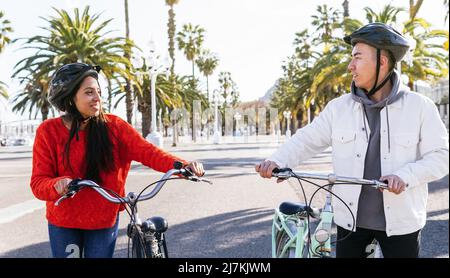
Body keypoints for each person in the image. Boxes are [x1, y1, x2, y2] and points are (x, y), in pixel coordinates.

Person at [255, 23, 449, 258]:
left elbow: (441, 157)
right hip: (350, 221)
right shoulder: (339, 109)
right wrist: (277, 160)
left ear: (382, 62)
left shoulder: (420, 107)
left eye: (357, 57)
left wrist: (405, 176)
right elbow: (307, 139)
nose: (350, 66)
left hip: (402, 223)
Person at [30, 63, 205, 258]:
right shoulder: (48, 131)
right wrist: (57, 184)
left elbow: (150, 152)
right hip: (64, 222)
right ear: (70, 98)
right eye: (89, 92)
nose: (97, 98)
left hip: (103, 220)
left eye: (98, 92)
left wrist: (183, 167)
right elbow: (38, 182)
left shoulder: (114, 127)